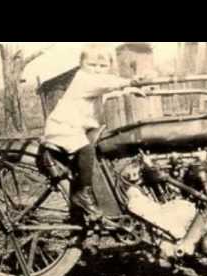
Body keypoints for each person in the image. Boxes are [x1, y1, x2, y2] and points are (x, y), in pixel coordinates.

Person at [42, 44, 144, 220]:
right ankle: (82, 193)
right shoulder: (84, 79)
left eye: (102, 66)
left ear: (109, 67)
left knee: (94, 148)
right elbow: (108, 84)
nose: (97, 70)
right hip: (63, 127)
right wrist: (131, 81)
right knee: (86, 149)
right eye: (92, 65)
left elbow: (109, 91)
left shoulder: (96, 82)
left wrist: (130, 90)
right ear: (81, 64)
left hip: (75, 127)